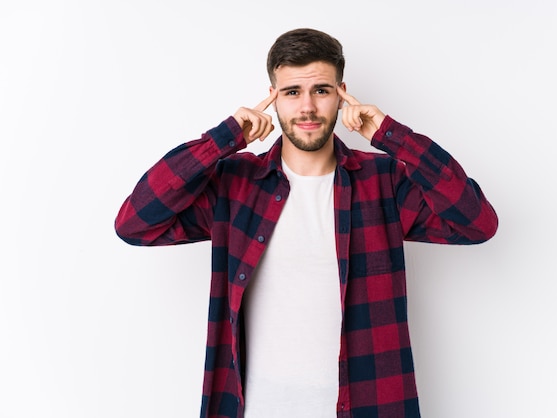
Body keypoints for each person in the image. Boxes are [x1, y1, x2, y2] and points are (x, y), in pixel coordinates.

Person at [115, 28, 498, 418]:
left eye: (321, 90)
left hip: (370, 404)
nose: (308, 108)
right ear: (272, 97)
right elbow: (135, 222)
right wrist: (223, 138)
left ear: (341, 93)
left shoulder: (383, 182)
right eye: (292, 92)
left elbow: (477, 222)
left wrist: (390, 135)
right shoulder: (235, 184)